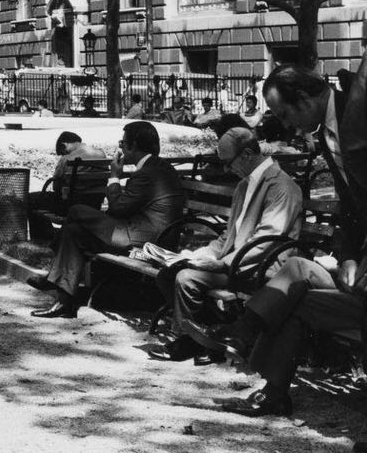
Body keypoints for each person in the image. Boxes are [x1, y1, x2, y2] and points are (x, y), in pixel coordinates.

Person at [203, 58, 367, 417]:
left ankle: (244, 332)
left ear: (305, 102)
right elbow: (354, 208)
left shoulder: (357, 116)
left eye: (284, 113)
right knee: (295, 287)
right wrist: (350, 256)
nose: (285, 123)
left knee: (296, 281)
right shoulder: (328, 130)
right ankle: (273, 389)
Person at [149, 128, 302, 363]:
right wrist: (205, 252)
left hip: (262, 268)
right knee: (167, 274)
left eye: (228, 163)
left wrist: (220, 264)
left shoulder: (281, 186)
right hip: (239, 262)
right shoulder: (244, 185)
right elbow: (231, 234)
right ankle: (207, 338)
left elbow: (268, 240)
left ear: (248, 154)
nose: (225, 169)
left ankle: (188, 342)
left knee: (186, 278)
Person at [28, 121, 187, 317]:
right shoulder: (158, 167)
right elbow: (130, 207)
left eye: (122, 143)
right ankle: (64, 302)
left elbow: (118, 207)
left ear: (133, 145)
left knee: (76, 211)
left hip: (148, 241)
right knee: (74, 232)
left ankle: (56, 282)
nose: (120, 148)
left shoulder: (146, 173)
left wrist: (114, 176)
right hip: (144, 230)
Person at [27, 131, 109, 233]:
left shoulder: (67, 159)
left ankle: (43, 236)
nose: (63, 155)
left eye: (62, 152)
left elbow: (56, 187)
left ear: (64, 145)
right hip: (94, 204)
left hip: (69, 206)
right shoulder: (101, 154)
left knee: (28, 199)